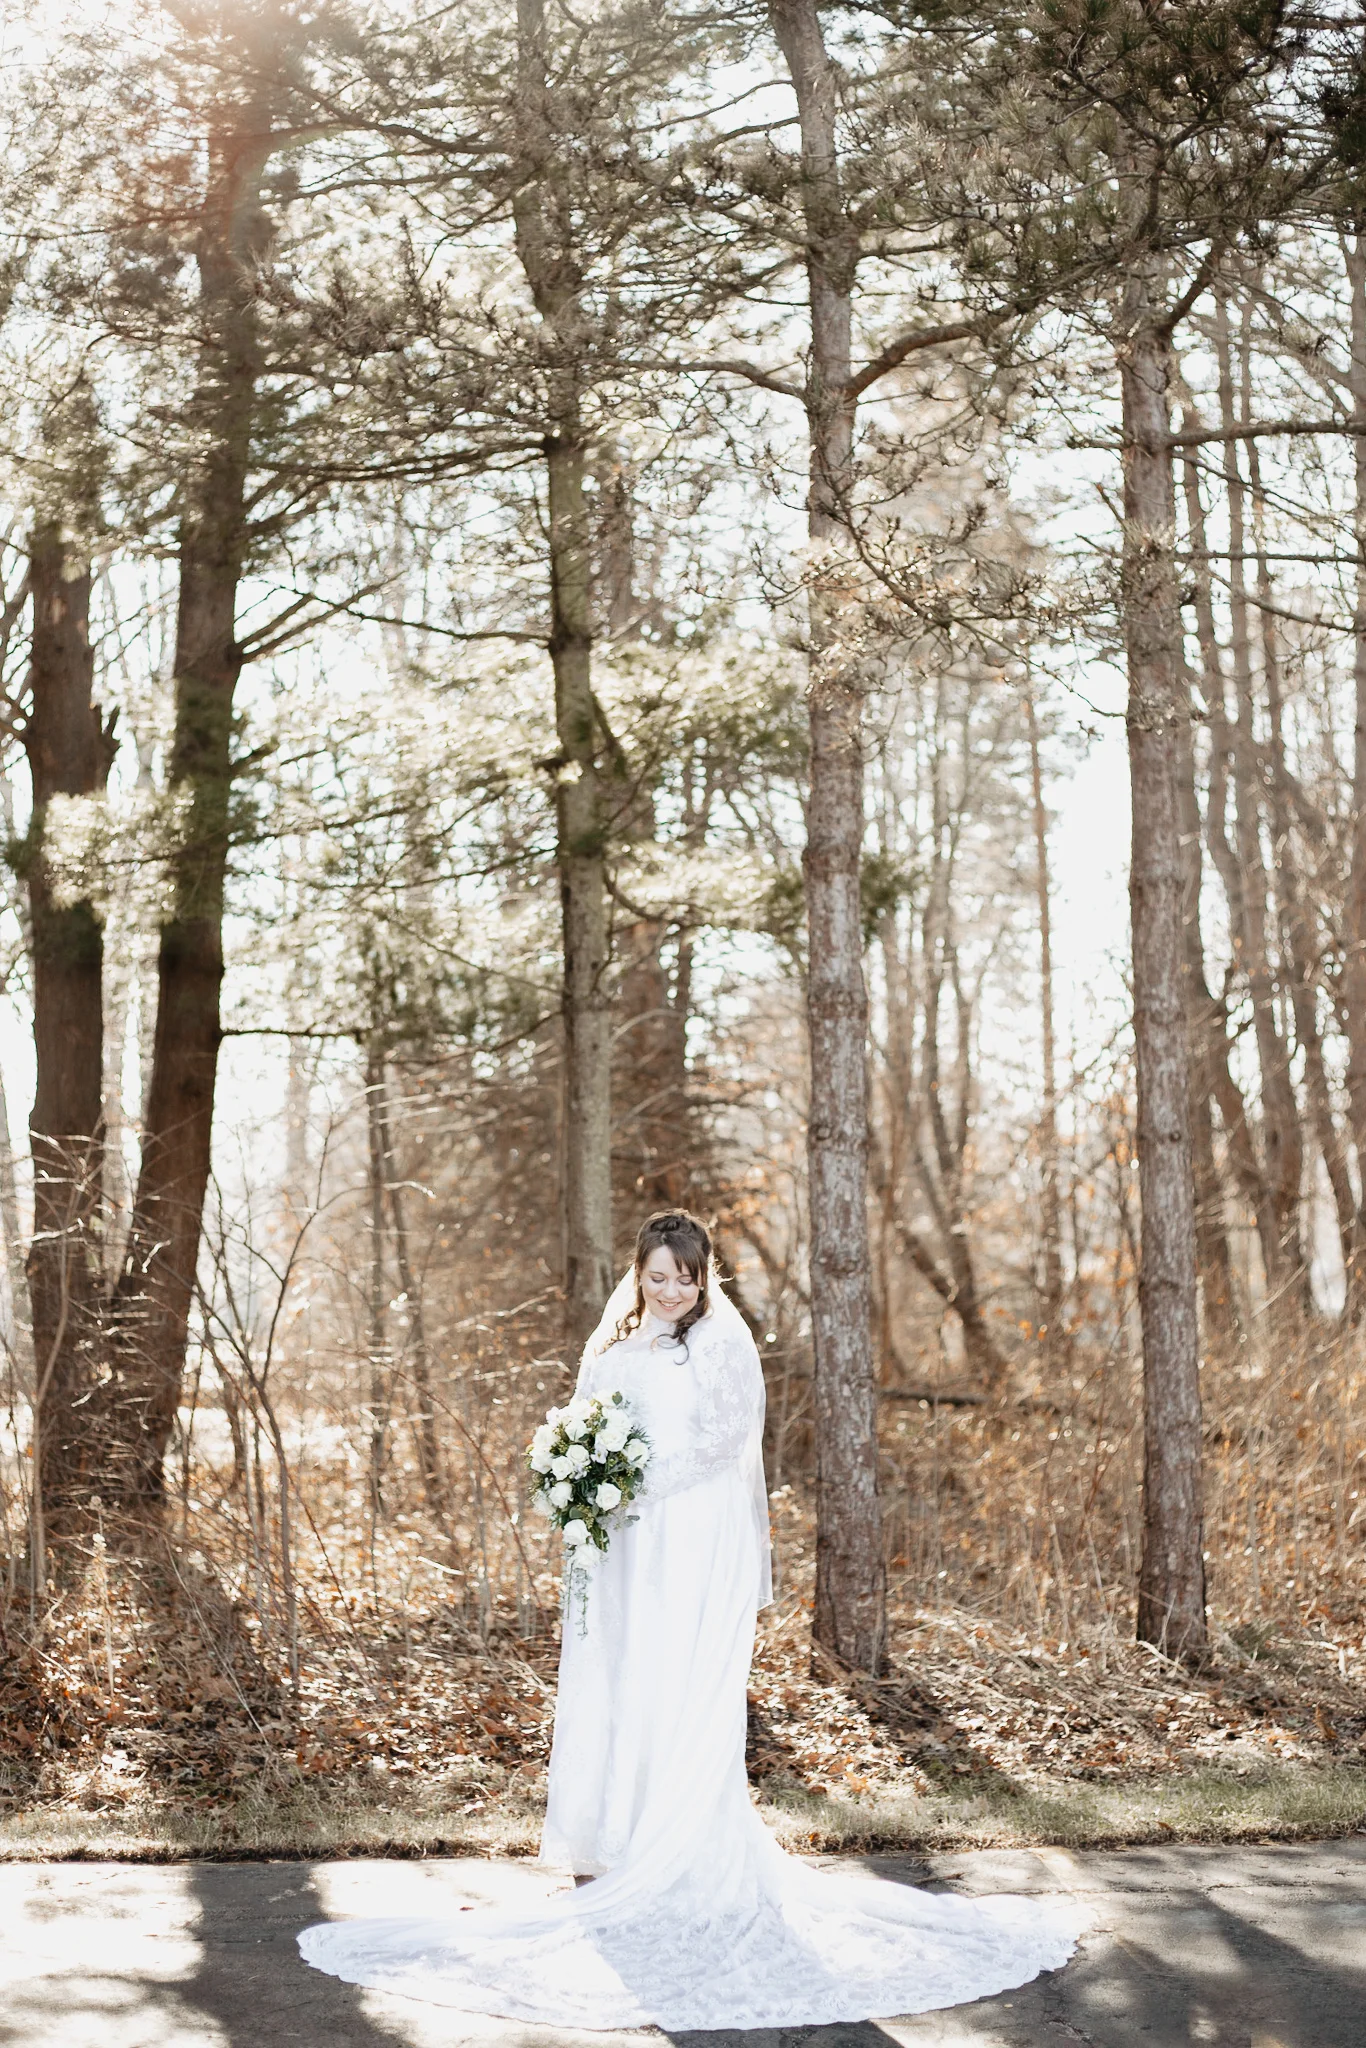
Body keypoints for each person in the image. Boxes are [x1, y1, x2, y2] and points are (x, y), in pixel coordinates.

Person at [299, 1209, 1082, 2029]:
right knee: (624, 1680)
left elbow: (723, 1443)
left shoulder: (720, 1344)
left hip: (691, 1539)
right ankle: (615, 1842)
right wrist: (580, 1481)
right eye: (658, 1276)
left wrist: (630, 1483)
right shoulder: (613, 1346)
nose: (671, 1290)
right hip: (623, 1546)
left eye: (685, 1276)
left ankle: (680, 1852)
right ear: (637, 1274)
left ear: (705, 1277)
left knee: (678, 1681)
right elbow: (582, 1420)